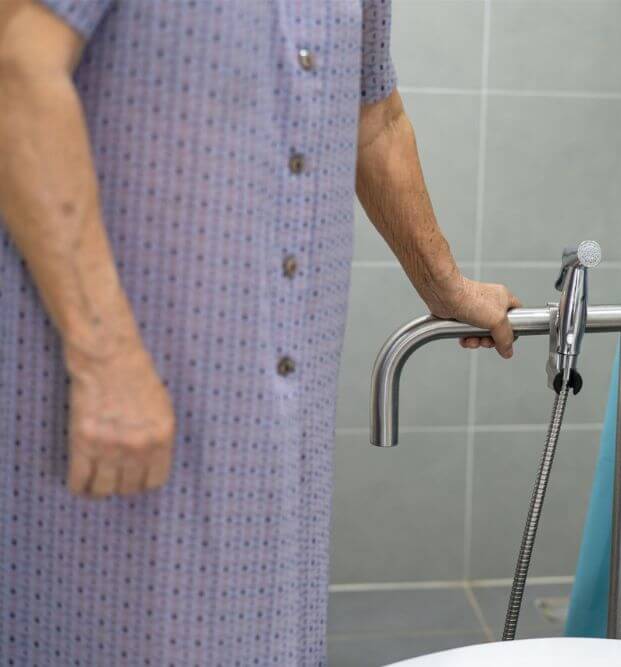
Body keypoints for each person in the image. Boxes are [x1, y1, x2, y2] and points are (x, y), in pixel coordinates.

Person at [0, 1, 519, 663]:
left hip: (272, 422)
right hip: (104, 391)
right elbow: (17, 68)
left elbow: (374, 117)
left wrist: (444, 283)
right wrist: (106, 361)